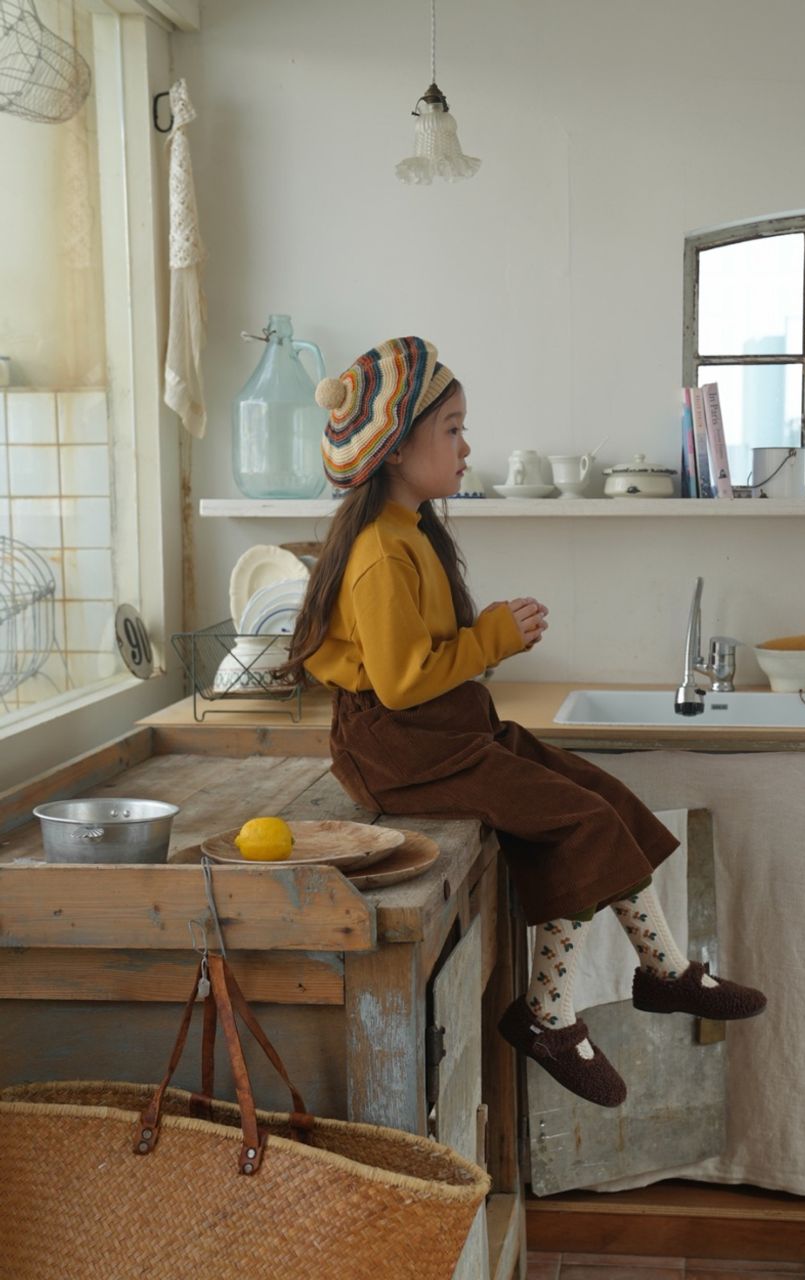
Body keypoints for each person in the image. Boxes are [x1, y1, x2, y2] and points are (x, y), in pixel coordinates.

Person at [281, 336, 765, 1108]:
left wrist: (487, 639)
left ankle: (665, 972)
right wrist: (492, 639)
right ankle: (549, 1012)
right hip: (402, 747)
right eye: (452, 430)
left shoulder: (409, 533)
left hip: (441, 733)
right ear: (397, 447)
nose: (467, 447)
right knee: (579, 821)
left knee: (600, 797)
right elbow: (401, 686)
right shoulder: (380, 552)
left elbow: (419, 663)